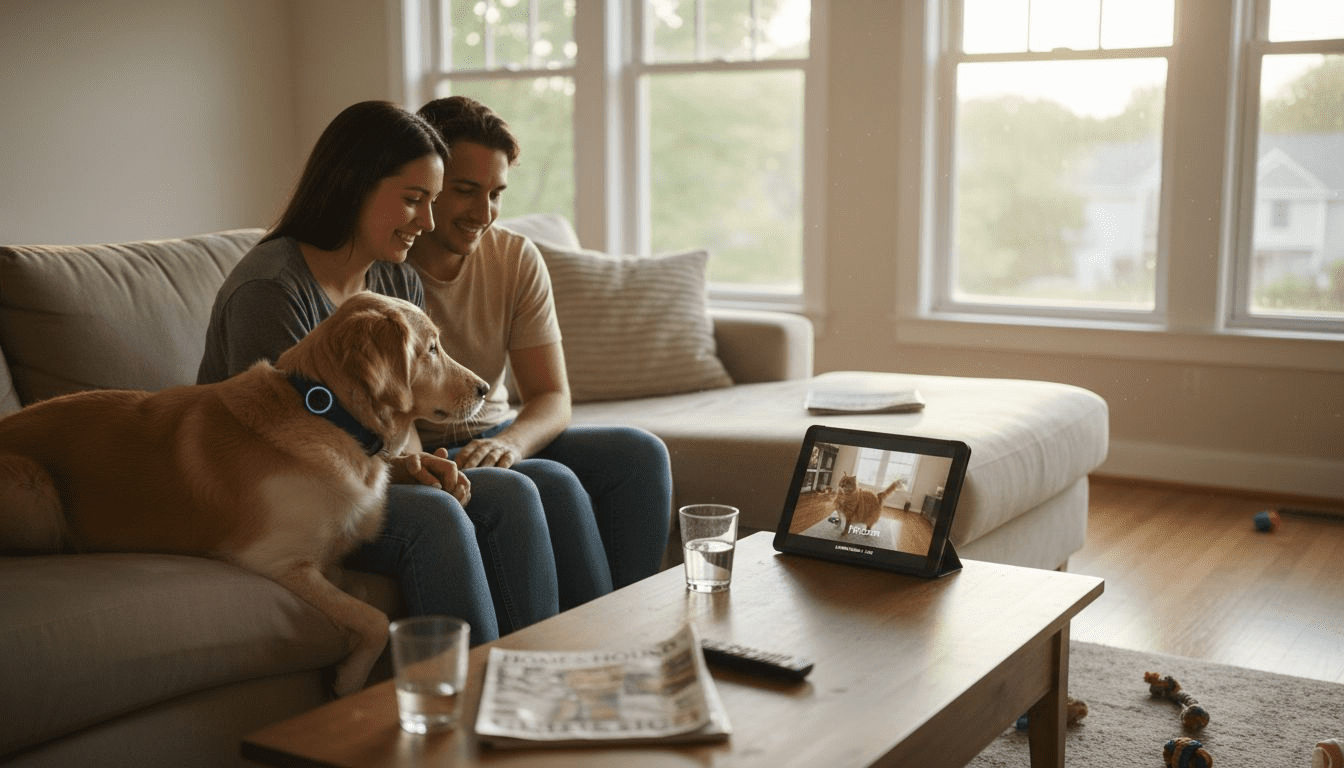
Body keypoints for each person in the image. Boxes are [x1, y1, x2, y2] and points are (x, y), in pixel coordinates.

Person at [196, 100, 589, 645]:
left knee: (533, 486)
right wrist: (403, 471)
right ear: (354, 185)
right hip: (283, 490)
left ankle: (556, 669)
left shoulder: (393, 279)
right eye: (413, 200)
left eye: (431, 202)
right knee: (444, 515)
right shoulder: (272, 292)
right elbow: (283, 446)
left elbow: (398, 421)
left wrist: (412, 464)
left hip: (365, 472)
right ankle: (476, 696)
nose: (426, 223)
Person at [407, 95, 673, 591]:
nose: (483, 213)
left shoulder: (514, 257)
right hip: (425, 450)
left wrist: (509, 442)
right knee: (553, 482)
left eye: (496, 193)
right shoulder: (384, 261)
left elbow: (551, 395)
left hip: (496, 432)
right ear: (427, 184)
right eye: (466, 190)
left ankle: (634, 620)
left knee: (640, 454)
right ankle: (590, 643)